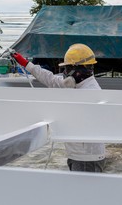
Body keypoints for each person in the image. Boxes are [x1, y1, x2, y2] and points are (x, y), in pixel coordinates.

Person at [12, 43, 106, 172]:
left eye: (67, 69)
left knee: (83, 192)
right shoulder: (77, 84)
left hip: (87, 157)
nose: (65, 74)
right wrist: (26, 64)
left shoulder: (91, 92)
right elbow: (49, 79)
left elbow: (75, 120)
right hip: (76, 154)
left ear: (79, 69)